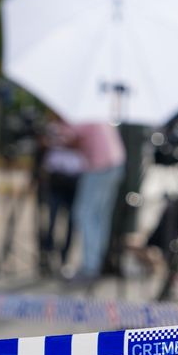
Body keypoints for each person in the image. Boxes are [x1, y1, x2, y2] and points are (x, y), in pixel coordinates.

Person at [70, 121, 126, 281]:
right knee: (100, 216)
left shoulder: (82, 115)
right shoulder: (98, 112)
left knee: (85, 214)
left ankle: (90, 265)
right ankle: (98, 261)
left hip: (100, 166)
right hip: (115, 163)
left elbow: (71, 139)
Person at [39, 117, 84, 274]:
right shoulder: (52, 126)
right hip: (55, 178)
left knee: (71, 221)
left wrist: (65, 142)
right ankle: (47, 254)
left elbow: (80, 144)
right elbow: (44, 144)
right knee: (51, 218)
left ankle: (65, 258)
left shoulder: (81, 126)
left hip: (73, 179)